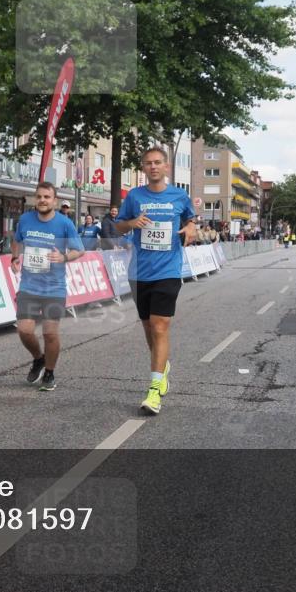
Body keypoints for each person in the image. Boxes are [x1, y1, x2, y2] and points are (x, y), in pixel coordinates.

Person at [115, 146, 198, 415]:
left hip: (168, 270)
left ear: (166, 167)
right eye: (148, 163)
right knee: (149, 329)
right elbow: (119, 225)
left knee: (160, 326)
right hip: (140, 272)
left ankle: (154, 391)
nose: (153, 166)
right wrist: (132, 223)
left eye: (157, 162)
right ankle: (162, 367)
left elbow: (191, 220)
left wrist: (191, 228)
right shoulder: (135, 196)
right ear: (143, 167)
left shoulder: (179, 195)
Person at [11, 182, 84, 392]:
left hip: (54, 288)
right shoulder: (25, 220)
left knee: (50, 334)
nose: (42, 200)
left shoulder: (64, 224)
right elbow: (16, 240)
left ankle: (49, 373)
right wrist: (15, 257)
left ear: (55, 200)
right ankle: (38, 358)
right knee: (25, 330)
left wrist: (63, 257)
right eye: (39, 196)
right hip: (29, 286)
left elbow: (79, 250)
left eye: (47, 197)